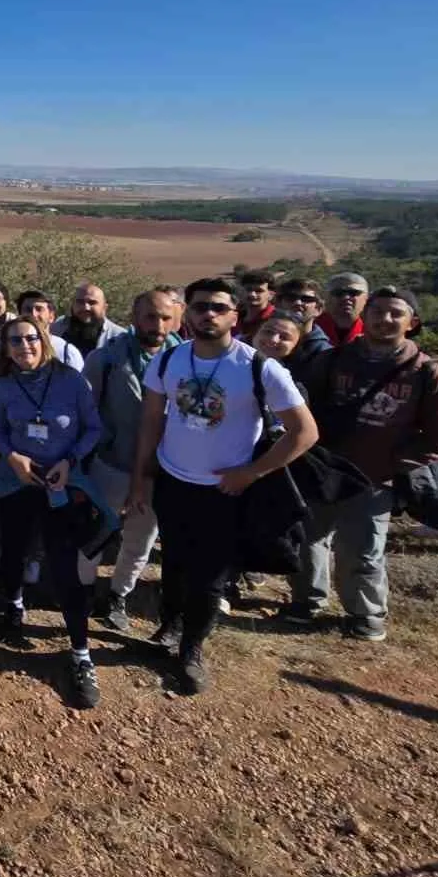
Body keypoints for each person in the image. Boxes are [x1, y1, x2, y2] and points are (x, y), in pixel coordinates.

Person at [129, 278, 318, 696]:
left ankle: (192, 649)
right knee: (174, 563)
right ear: (186, 314)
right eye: (198, 307)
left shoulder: (258, 367)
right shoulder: (168, 361)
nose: (207, 315)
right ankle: (170, 627)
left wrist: (251, 473)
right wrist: (140, 480)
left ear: (236, 315)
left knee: (210, 575)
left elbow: (304, 433)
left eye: (217, 307)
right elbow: (151, 423)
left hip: (226, 491)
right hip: (173, 481)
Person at [285, 288, 438, 640]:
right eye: (376, 310)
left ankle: (365, 613)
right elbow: (302, 407)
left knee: (362, 548)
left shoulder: (426, 373)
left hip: (374, 478)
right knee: (307, 538)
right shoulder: (333, 360)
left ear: (413, 322)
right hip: (324, 469)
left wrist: (393, 464)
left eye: (395, 313)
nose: (384, 319)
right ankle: (306, 601)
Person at [0, 315, 105, 708]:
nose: (25, 346)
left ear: (45, 340)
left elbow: (93, 428)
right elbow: (0, 431)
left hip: (60, 484)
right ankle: (14, 606)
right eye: (16, 341)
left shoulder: (71, 380)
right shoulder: (5, 385)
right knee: (13, 551)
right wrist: (12, 456)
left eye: (32, 338)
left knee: (64, 568)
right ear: (7, 348)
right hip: (19, 481)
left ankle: (80, 654)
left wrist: (70, 460)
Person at [84, 287, 182, 633]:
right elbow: (86, 411)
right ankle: (83, 589)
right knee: (93, 532)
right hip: (111, 464)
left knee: (140, 538)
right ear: (134, 317)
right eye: (150, 316)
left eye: (165, 317)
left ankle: (117, 595)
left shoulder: (186, 363)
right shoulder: (106, 359)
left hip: (161, 469)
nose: (157, 324)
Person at [276, 278, 333, 379]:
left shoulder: (325, 354)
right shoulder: (264, 343)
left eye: (306, 299)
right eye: (291, 298)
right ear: (279, 304)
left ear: (318, 309)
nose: (298, 303)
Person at [53, 282, 128, 358]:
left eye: (92, 303)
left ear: (104, 307)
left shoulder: (121, 339)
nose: (86, 308)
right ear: (72, 305)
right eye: (80, 302)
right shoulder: (56, 328)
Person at [15, 290, 85, 370]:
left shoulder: (67, 352)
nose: (33, 314)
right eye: (28, 310)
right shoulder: (10, 350)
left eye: (39, 309)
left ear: (51, 316)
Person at [320, 272, 369, 347]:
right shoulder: (311, 329)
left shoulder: (376, 331)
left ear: (367, 299)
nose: (346, 298)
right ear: (326, 298)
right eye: (338, 293)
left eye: (353, 293)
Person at [235, 271, 276, 342]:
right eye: (248, 289)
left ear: (271, 295)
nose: (252, 294)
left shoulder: (276, 321)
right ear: (241, 292)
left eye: (259, 291)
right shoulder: (233, 318)